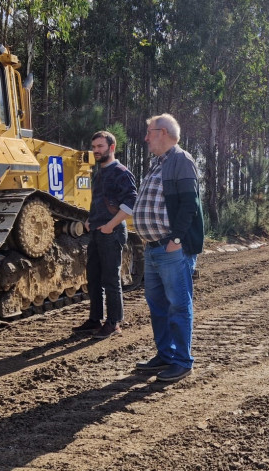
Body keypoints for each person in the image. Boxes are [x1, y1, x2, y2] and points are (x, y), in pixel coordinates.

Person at [132, 113, 204, 382]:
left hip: (171, 249)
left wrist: (176, 240)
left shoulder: (181, 160)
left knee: (178, 306)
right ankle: (165, 354)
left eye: (149, 132)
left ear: (163, 132)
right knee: (158, 305)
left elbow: (189, 205)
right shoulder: (157, 163)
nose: (146, 137)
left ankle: (183, 361)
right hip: (153, 248)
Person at [72, 131, 138, 339]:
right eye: (93, 147)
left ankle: (114, 322)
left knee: (110, 279)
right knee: (94, 278)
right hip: (98, 232)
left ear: (111, 147)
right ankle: (95, 320)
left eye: (100, 146)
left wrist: (110, 225)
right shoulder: (99, 173)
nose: (96, 151)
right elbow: (101, 201)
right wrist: (91, 219)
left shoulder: (121, 172)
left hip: (112, 233)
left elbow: (131, 203)